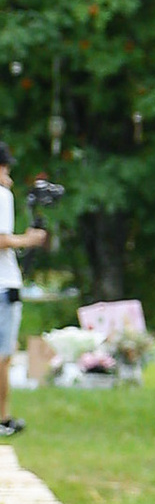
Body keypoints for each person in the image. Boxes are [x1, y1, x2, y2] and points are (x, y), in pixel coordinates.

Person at [0, 146, 48, 440]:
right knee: (3, 356)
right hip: (3, 285)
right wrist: (29, 240)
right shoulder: (2, 195)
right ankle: (3, 418)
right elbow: (2, 239)